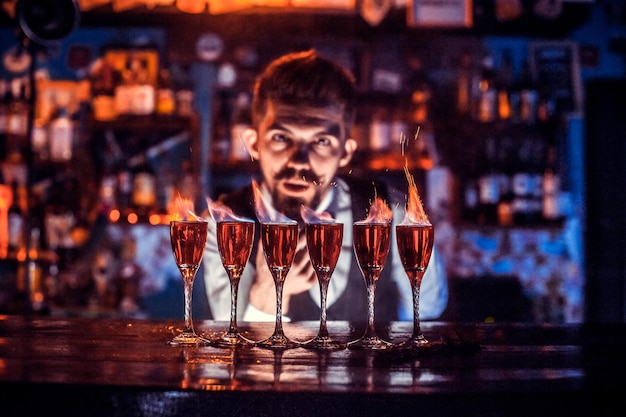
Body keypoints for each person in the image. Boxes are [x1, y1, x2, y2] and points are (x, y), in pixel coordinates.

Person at [203, 50, 447, 323]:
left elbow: (426, 313)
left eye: (321, 142)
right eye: (281, 137)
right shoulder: (225, 222)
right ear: (253, 142)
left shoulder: (396, 215)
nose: (298, 162)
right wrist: (265, 294)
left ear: (345, 152)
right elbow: (232, 345)